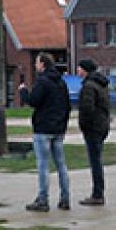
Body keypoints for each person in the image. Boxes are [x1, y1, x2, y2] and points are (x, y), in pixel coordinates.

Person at [18, 52, 72, 212]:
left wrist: (23, 92)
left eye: (37, 63)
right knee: (61, 164)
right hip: (58, 128)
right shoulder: (61, 82)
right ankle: (65, 198)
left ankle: (43, 199)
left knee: (43, 164)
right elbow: (67, 106)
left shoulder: (42, 81)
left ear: (42, 64)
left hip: (43, 128)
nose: (35, 65)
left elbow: (34, 101)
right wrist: (62, 124)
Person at [76, 59, 111, 206]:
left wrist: (84, 125)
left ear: (85, 70)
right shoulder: (101, 85)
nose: (77, 71)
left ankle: (97, 194)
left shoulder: (89, 87)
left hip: (93, 128)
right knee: (97, 159)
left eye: (79, 68)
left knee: (95, 161)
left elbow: (87, 109)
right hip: (102, 125)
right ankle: (98, 192)